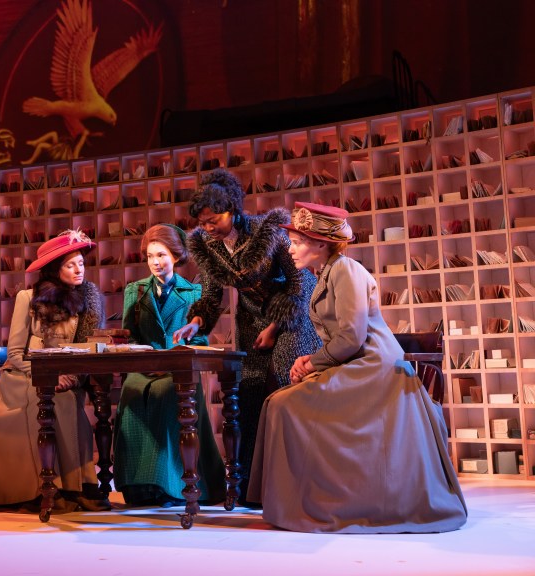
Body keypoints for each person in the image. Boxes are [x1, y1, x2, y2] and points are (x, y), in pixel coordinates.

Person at [247, 202, 467, 533]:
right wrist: (311, 362)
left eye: (297, 242)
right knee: (280, 402)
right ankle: (310, 498)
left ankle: (313, 500)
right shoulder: (327, 273)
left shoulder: (345, 270)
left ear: (321, 243)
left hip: (374, 367)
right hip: (356, 362)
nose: (290, 249)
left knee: (284, 405)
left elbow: (351, 337)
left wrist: (311, 363)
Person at [172, 168, 320, 506]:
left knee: (287, 383)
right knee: (248, 391)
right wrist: (196, 322)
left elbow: (299, 282)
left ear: (233, 210)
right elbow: (211, 296)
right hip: (253, 316)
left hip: (292, 310)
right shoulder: (208, 246)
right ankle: (253, 487)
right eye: (203, 222)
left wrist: (275, 326)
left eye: (214, 220)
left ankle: (298, 481)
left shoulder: (266, 233)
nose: (208, 227)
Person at [0, 229, 110, 512]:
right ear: (54, 269)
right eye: (70, 265)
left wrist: (73, 377)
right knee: (45, 403)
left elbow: (87, 350)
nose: (79, 270)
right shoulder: (28, 298)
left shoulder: (88, 304)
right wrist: (47, 376)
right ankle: (49, 486)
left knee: (66, 400)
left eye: (81, 263)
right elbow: (15, 353)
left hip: (67, 377)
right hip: (26, 375)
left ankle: (77, 485)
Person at [113, 224, 226, 507]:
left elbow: (199, 339)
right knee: (130, 395)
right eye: (150, 256)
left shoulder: (193, 292)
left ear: (176, 256)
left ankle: (169, 485)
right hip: (143, 369)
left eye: (161, 255)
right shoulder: (135, 291)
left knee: (166, 396)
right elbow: (130, 336)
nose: (155, 262)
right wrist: (138, 353)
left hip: (179, 370)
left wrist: (177, 352)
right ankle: (138, 487)